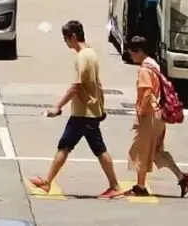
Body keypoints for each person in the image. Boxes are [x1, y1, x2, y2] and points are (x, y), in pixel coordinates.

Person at [29, 19, 122, 199]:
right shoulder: (91, 53)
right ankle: (47, 181)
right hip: (87, 111)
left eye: (65, 39)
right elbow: (98, 84)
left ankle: (115, 186)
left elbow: (77, 85)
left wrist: (57, 106)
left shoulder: (82, 57)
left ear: (73, 36)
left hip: (85, 113)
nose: (65, 43)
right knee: (65, 145)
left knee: (98, 149)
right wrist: (100, 106)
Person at [126, 37, 188, 197]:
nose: (131, 57)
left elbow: (147, 92)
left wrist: (140, 114)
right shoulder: (153, 64)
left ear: (139, 51)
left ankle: (140, 187)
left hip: (149, 115)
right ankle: (182, 176)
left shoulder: (144, 70)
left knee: (140, 150)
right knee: (156, 151)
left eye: (132, 53)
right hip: (159, 115)